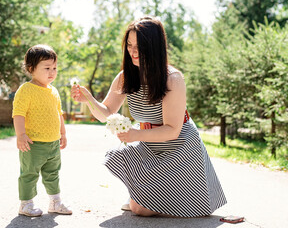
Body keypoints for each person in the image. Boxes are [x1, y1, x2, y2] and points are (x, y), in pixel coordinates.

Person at [71, 16, 226, 217]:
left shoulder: (173, 79)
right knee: (135, 194)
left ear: (154, 47)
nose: (133, 52)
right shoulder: (126, 76)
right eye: (129, 45)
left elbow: (172, 130)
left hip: (180, 149)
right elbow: (107, 113)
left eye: (139, 46)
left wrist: (135, 135)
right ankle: (147, 195)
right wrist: (89, 99)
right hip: (150, 145)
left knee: (138, 209)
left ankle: (160, 197)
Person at [12, 44, 72, 216]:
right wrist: (21, 134)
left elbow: (58, 114)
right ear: (31, 68)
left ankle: (55, 202)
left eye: (54, 68)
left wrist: (63, 133)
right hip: (33, 143)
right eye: (47, 68)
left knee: (53, 174)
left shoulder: (54, 91)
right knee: (29, 174)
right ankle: (26, 204)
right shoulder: (26, 89)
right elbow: (18, 114)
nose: (52, 72)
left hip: (52, 143)